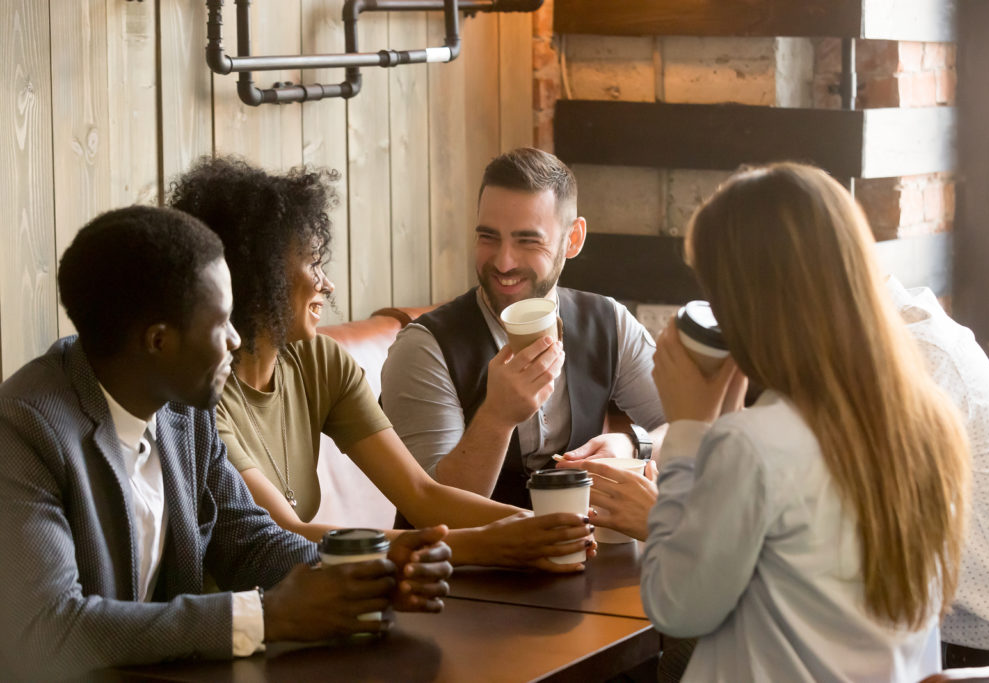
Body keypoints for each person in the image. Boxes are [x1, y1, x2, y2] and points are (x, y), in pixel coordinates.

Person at [0, 206, 452, 680]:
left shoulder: (183, 407)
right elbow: (48, 629)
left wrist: (368, 571)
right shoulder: (23, 432)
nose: (236, 340)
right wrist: (269, 617)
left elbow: (248, 542)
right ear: (158, 341)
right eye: (221, 324)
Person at [168, 157, 594, 571]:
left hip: (321, 597)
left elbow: (421, 493)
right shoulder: (202, 396)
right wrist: (483, 545)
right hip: (240, 619)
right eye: (314, 264)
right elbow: (286, 535)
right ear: (261, 275)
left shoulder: (319, 360)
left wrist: (536, 527)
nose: (327, 283)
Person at [642, 163, 971, 681]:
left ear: (749, 307)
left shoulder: (755, 445)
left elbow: (674, 605)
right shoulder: (929, 428)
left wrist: (685, 434)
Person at [381, 147, 667, 510]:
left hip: (581, 556)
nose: (503, 262)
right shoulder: (423, 349)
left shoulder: (610, 323)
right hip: (461, 564)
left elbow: (690, 430)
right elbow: (435, 512)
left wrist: (632, 445)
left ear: (573, 239)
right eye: (488, 237)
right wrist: (497, 417)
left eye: (527, 241)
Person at [885, 276, 989, 667]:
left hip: (975, 651)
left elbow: (897, 539)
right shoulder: (909, 332)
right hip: (952, 636)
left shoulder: (918, 353)